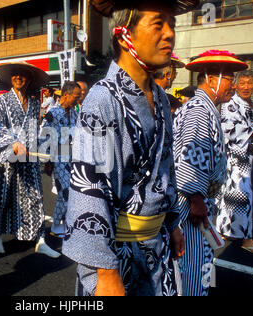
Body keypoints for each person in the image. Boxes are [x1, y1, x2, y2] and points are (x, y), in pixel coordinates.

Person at [62, 0, 198, 296]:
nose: (170, 34)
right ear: (125, 34)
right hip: (117, 254)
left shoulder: (161, 99)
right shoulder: (102, 99)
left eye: (171, 24)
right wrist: (105, 272)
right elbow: (90, 187)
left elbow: (166, 170)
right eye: (158, 24)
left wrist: (172, 223)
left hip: (156, 243)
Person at [173, 50, 247, 296]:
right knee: (191, 262)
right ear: (210, 77)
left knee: (200, 259)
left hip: (200, 200)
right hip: (190, 203)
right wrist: (195, 199)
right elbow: (191, 154)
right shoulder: (198, 110)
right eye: (229, 78)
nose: (233, 85)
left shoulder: (206, 108)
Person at [0, 61, 61, 258]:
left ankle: (40, 239)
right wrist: (12, 143)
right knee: (3, 197)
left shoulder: (35, 103)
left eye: (23, 75)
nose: (19, 77)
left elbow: (33, 129)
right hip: (8, 157)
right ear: (11, 79)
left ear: (29, 80)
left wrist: (43, 152)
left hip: (29, 157)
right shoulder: (1, 102)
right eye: (15, 75)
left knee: (36, 196)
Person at [216, 70, 253, 254]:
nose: (246, 87)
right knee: (243, 196)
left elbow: (250, 128)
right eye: (242, 83)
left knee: (231, 197)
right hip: (235, 157)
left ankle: (226, 230)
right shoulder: (230, 104)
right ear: (235, 84)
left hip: (245, 155)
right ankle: (246, 237)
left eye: (250, 83)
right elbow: (229, 131)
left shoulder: (249, 105)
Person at [39, 81, 81, 237]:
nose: (78, 99)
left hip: (72, 158)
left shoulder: (74, 112)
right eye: (76, 97)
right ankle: (56, 226)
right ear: (65, 95)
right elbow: (43, 137)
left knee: (72, 192)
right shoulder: (53, 113)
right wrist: (47, 161)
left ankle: (64, 223)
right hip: (58, 158)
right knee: (65, 191)